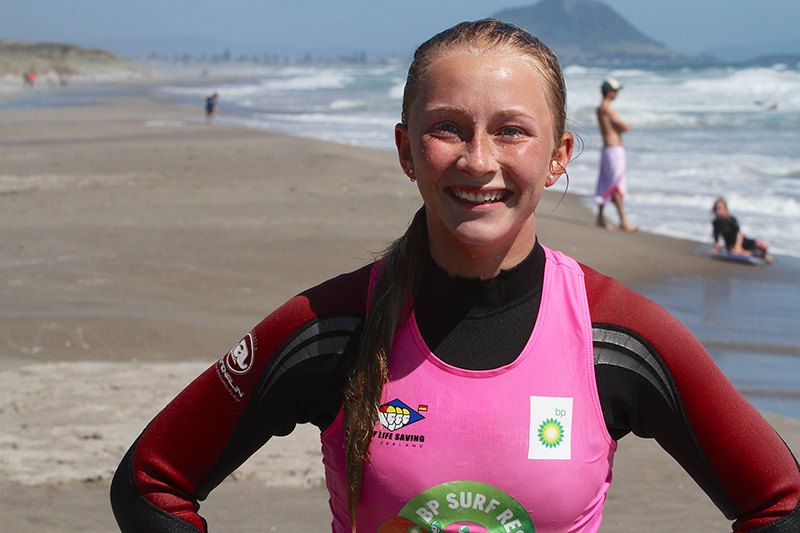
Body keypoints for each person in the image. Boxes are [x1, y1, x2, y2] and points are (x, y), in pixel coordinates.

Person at [110, 20, 799, 533]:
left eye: (511, 131)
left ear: (559, 156)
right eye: (447, 128)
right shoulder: (331, 326)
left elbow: (780, 502)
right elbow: (151, 484)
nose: (478, 159)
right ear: (407, 150)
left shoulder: (617, 333)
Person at [594, 77, 637, 231]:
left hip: (607, 148)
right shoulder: (607, 108)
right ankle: (623, 221)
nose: (617, 94)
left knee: (605, 182)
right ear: (610, 92)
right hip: (614, 149)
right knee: (616, 184)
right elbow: (624, 126)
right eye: (616, 91)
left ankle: (600, 218)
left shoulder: (600, 108)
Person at [712, 197, 773, 263]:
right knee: (740, 252)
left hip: (740, 241)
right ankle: (752, 253)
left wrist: (738, 246)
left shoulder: (731, 220)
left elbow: (739, 234)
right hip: (731, 246)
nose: (718, 211)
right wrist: (717, 249)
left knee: (764, 246)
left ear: (725, 209)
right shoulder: (716, 222)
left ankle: (764, 256)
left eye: (720, 208)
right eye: (716, 209)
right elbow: (716, 237)